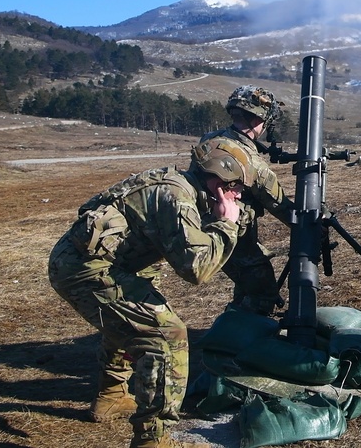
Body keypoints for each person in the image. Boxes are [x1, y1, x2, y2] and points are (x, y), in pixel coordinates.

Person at [48, 140, 250, 448]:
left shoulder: (181, 187)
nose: (237, 195)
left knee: (131, 319)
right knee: (166, 335)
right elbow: (197, 269)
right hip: (85, 271)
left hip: (92, 264)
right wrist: (226, 225)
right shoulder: (176, 198)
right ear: (215, 180)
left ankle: (111, 396)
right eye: (234, 187)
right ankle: (152, 439)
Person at [199, 85, 295, 316]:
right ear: (259, 120)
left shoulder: (211, 140)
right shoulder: (251, 163)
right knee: (261, 289)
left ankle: (235, 323)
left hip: (204, 226)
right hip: (231, 233)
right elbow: (280, 206)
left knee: (246, 285)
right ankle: (242, 341)